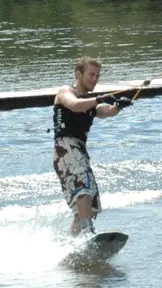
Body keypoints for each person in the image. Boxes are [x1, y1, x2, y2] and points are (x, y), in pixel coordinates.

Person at [53, 57, 132, 236]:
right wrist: (98, 99)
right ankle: (88, 234)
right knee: (84, 190)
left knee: (92, 205)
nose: (94, 79)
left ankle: (72, 242)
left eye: (97, 76)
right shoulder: (66, 91)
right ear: (78, 74)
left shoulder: (89, 100)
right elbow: (74, 105)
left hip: (79, 150)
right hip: (65, 148)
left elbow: (105, 111)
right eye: (91, 75)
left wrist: (118, 106)